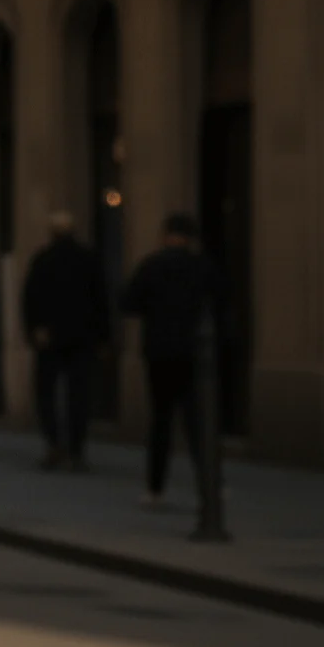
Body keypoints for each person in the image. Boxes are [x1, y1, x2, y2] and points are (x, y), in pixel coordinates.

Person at [121, 212, 220, 505]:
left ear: (166, 235)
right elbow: (221, 301)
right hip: (194, 353)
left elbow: (129, 302)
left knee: (161, 421)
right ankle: (209, 483)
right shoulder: (203, 267)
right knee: (198, 421)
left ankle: (155, 488)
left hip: (160, 352)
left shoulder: (152, 265)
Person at [21, 210, 110, 471]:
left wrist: (35, 329)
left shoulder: (43, 259)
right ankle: (75, 448)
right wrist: (102, 337)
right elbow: (100, 300)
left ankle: (54, 444)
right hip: (81, 335)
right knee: (78, 394)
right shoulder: (87, 259)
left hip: (50, 336)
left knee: (46, 393)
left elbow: (30, 299)